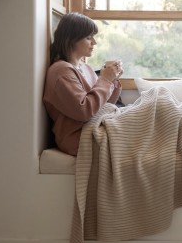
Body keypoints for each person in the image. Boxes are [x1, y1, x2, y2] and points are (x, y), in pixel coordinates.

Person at [43, 12, 123, 156]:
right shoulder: (61, 71)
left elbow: (104, 105)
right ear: (71, 39)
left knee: (160, 101)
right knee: (160, 102)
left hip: (97, 125)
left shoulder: (85, 68)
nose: (94, 42)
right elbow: (84, 111)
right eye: (88, 37)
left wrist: (113, 79)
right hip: (79, 136)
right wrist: (105, 80)